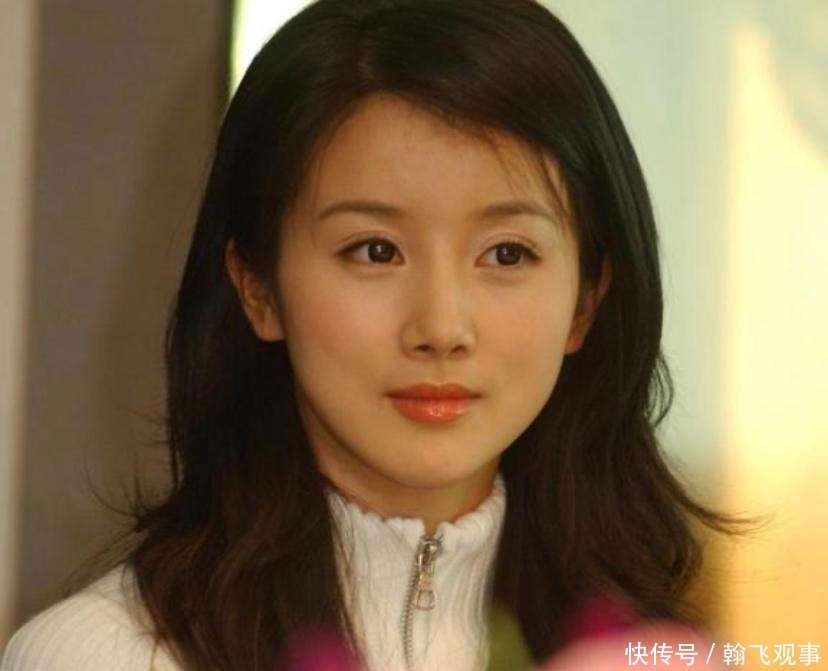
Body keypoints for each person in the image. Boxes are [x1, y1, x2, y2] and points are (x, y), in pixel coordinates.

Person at [0, 1, 751, 669]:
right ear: (258, 287)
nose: (442, 328)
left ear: (586, 301)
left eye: (506, 254)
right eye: (375, 250)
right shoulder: (104, 654)